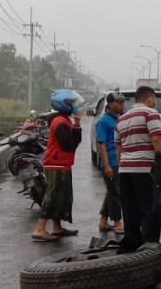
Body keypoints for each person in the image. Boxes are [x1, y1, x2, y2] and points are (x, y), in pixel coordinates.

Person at [115, 86, 161, 251]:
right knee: (150, 208)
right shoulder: (150, 114)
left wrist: (123, 164)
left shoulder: (122, 119)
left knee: (130, 209)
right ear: (150, 99)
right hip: (145, 170)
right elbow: (157, 140)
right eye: (154, 100)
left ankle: (132, 241)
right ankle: (149, 245)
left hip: (125, 170)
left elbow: (118, 147)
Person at [31, 89, 84, 242]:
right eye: (71, 103)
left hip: (62, 163)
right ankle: (40, 229)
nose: (74, 106)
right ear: (62, 105)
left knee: (61, 197)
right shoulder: (60, 122)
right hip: (56, 164)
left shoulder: (63, 119)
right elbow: (69, 144)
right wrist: (77, 129)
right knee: (52, 196)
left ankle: (57, 227)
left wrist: (77, 125)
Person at [96, 92, 125, 234]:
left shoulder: (119, 120)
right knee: (115, 193)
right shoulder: (103, 121)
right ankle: (117, 222)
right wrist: (106, 165)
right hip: (110, 162)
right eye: (118, 103)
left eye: (122, 103)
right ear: (110, 104)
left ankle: (103, 220)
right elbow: (101, 145)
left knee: (112, 191)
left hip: (119, 161)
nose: (121, 105)